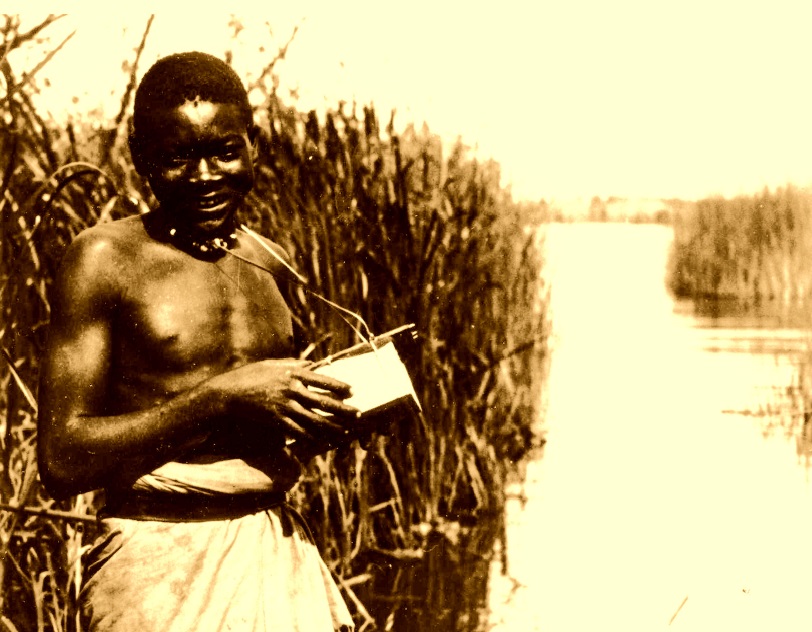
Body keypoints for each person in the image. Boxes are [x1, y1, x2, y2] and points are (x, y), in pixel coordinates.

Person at [37, 51, 360, 631]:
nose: (206, 176)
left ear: (254, 146)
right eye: (177, 158)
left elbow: (272, 426)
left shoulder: (270, 261)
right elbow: (61, 459)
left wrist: (331, 416)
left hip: (271, 548)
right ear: (140, 158)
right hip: (158, 561)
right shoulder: (103, 259)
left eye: (225, 152)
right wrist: (222, 398)